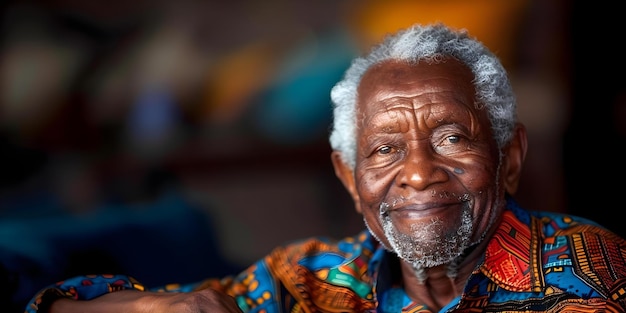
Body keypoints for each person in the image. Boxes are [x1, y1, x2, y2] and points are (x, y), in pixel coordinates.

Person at [24, 23, 626, 313]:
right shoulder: (312, 277)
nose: (418, 174)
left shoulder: (588, 277)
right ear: (347, 177)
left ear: (510, 159)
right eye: (384, 150)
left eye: (450, 138)